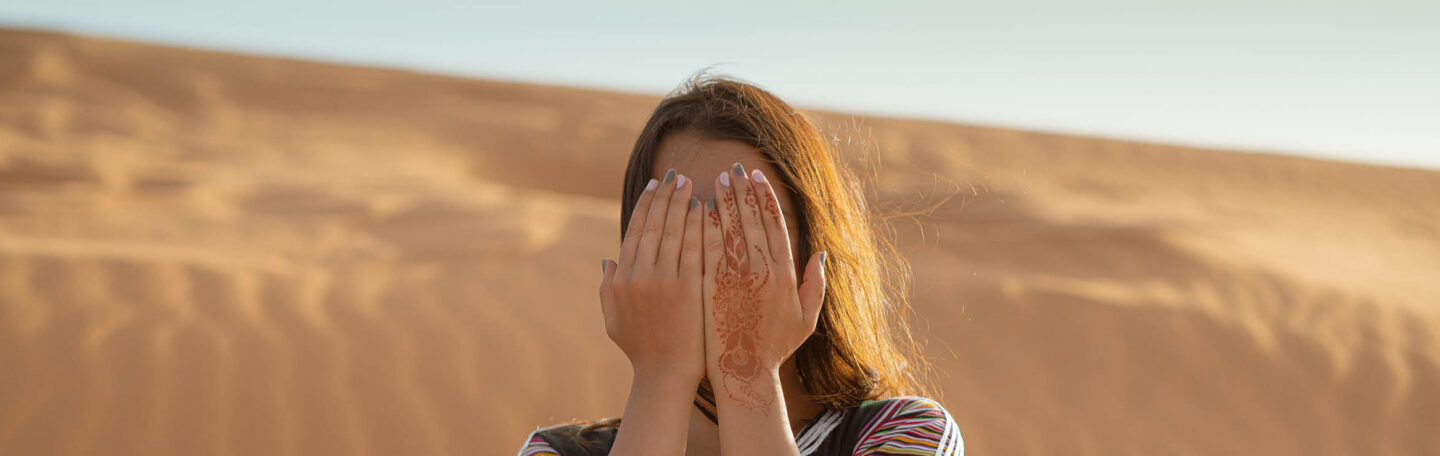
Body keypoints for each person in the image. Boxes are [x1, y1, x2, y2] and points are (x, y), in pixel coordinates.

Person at [518, 74, 962, 456]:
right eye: (681, 222)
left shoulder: (906, 433)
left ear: (813, 250)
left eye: (749, 221)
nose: (718, 253)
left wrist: (746, 373)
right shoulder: (556, 451)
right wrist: (661, 377)